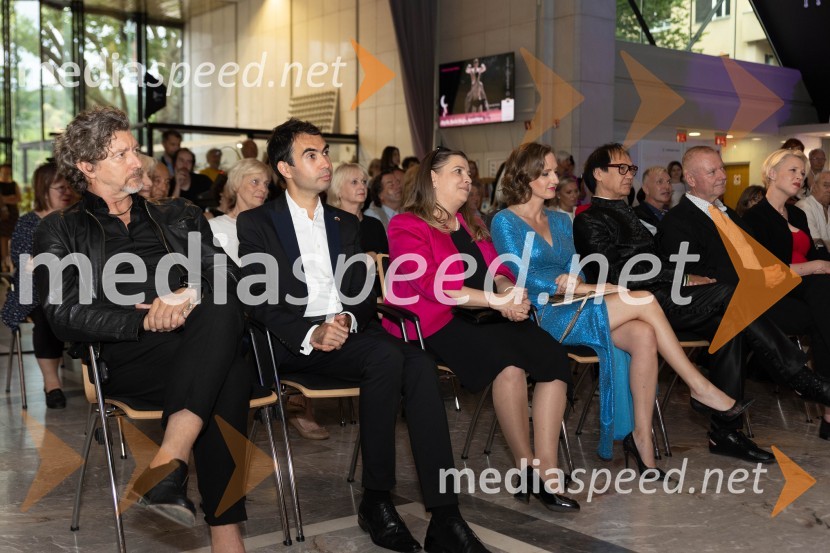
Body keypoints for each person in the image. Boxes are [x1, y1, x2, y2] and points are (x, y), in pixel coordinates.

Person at [237, 119, 489, 553]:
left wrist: (347, 323)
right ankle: (376, 499)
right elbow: (258, 299)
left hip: (345, 333)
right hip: (287, 343)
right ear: (284, 168)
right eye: (310, 155)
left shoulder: (343, 222)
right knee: (388, 359)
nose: (324, 162)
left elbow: (358, 291)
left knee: (421, 363)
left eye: (325, 153)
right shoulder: (257, 223)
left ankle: (445, 515)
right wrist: (311, 332)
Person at [34, 106, 251, 551]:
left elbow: (225, 274)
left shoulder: (180, 214)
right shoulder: (60, 230)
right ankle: (226, 538)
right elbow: (61, 313)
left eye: (135, 150)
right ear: (87, 167)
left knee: (219, 309)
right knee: (226, 367)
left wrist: (186, 296)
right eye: (121, 155)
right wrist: (144, 316)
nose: (138, 162)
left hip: (197, 338)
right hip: (128, 356)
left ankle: (170, 463)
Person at [490, 143, 748, 469]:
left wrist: (583, 284)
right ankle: (698, 385)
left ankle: (641, 440)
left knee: (643, 334)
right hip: (545, 313)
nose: (556, 178)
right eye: (546, 173)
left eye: (556, 171)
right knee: (644, 298)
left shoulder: (559, 220)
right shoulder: (505, 221)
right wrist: (591, 286)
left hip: (580, 302)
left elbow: (578, 269)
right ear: (524, 176)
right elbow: (525, 278)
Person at [577, 143, 830, 463]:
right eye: (623, 169)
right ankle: (800, 378)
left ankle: (725, 431)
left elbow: (657, 263)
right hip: (647, 304)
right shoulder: (590, 220)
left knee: (736, 319)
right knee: (730, 296)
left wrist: (679, 275)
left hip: (670, 296)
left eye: (632, 169)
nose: (630, 175)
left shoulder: (630, 214)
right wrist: (682, 277)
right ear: (599, 174)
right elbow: (615, 275)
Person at [383, 147, 579, 512]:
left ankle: (547, 468)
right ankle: (526, 468)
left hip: (483, 315)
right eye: (458, 171)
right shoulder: (407, 224)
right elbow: (432, 285)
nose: (468, 179)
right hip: (436, 322)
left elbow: (499, 271)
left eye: (468, 172)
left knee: (553, 356)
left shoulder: (471, 222)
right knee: (507, 364)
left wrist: (509, 293)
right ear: (433, 179)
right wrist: (496, 302)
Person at [743, 149, 830, 439]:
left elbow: (817, 252)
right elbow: (767, 272)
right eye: (792, 170)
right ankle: (828, 416)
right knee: (822, 300)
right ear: (770, 173)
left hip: (807, 296)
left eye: (802, 172)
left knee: (822, 306)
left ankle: (829, 415)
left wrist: (818, 264)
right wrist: (814, 266)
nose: (799, 176)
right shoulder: (754, 219)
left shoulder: (797, 213)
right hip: (773, 299)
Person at [1, 162, 73, 408]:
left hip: (71, 288)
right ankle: (52, 384)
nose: (67, 192)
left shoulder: (74, 218)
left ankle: (99, 378)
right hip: (32, 290)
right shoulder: (27, 222)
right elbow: (26, 265)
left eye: (68, 187)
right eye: (59, 188)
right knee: (48, 314)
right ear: (43, 190)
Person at [327, 163, 388, 259]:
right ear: (338, 190)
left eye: (364, 182)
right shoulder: (329, 225)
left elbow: (386, 264)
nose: (362, 187)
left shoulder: (375, 225)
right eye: (354, 182)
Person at [796, 171, 830, 249]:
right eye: (826, 185)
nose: (829, 190)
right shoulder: (804, 206)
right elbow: (815, 242)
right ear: (814, 186)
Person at [634, 166, 672, 233]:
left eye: (669, 182)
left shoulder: (672, 215)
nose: (667, 187)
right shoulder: (634, 217)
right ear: (646, 189)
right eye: (660, 182)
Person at [0, 163, 22, 272]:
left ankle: (11, 263)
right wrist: (10, 198)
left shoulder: (14, 184)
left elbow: (18, 198)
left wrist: (4, 199)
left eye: (8, 172)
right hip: (2, 214)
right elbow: (11, 199)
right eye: (4, 172)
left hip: (13, 214)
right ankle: (4, 264)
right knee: (3, 239)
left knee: (12, 238)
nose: (6, 174)